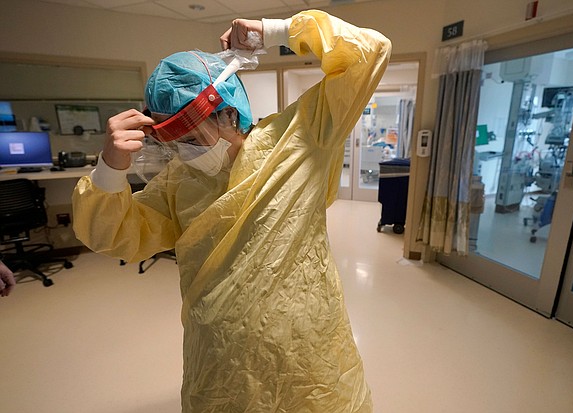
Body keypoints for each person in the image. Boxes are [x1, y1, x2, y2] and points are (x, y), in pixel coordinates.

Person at [73, 9, 391, 412]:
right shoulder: (178, 181)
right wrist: (109, 168)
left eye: (193, 137)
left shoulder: (301, 136)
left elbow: (370, 52)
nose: (185, 151)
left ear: (228, 113)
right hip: (222, 369)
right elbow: (116, 235)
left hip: (312, 362)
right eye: (176, 142)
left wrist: (276, 31)